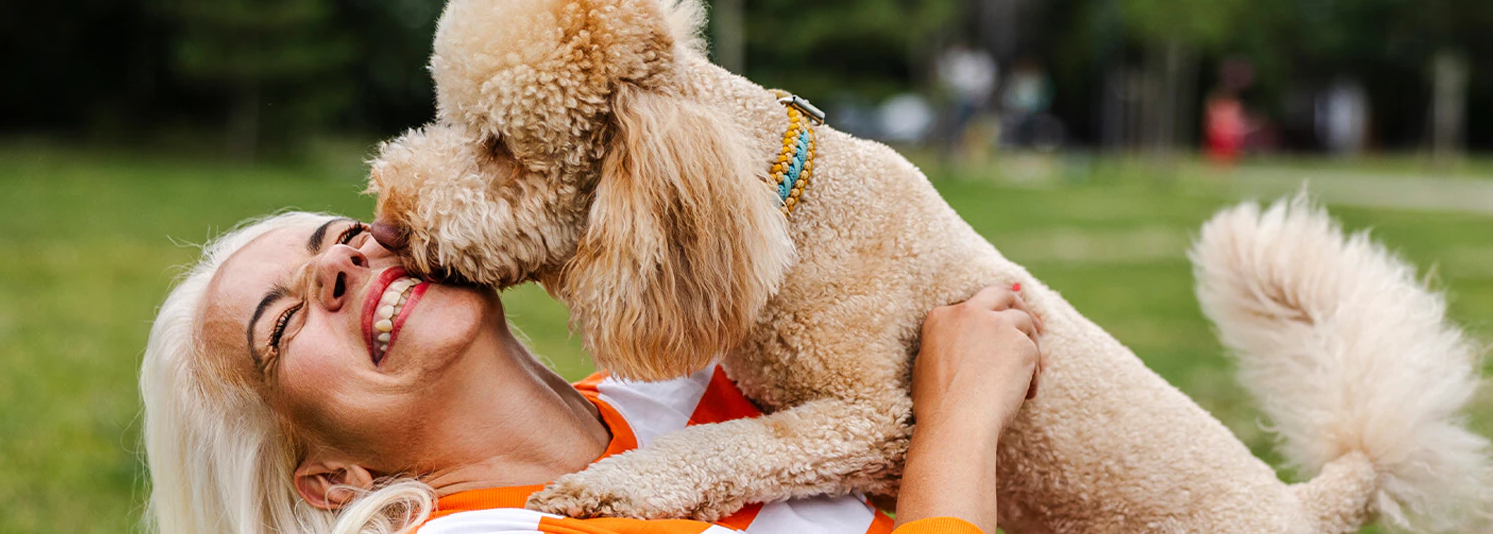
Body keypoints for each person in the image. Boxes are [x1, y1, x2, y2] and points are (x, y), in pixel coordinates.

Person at [140, 212, 1046, 534]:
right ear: (330, 476)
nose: (338, 266)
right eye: (285, 322)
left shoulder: (678, 383)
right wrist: (961, 410)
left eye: (342, 238)